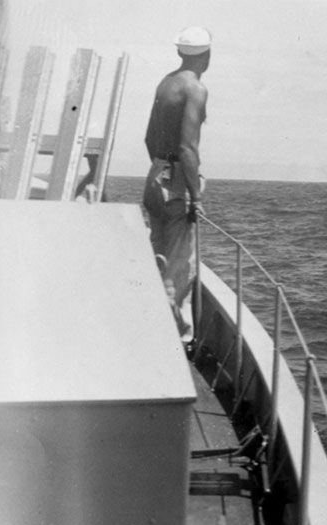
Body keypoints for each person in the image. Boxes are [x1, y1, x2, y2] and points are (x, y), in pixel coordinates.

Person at [143, 26, 211, 348]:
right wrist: (194, 197)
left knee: (157, 256)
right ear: (207, 56)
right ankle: (176, 345)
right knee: (179, 267)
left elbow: (149, 138)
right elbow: (187, 149)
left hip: (155, 173)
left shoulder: (166, 82)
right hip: (176, 184)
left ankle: (152, 328)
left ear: (180, 52)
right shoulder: (195, 89)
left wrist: (161, 169)